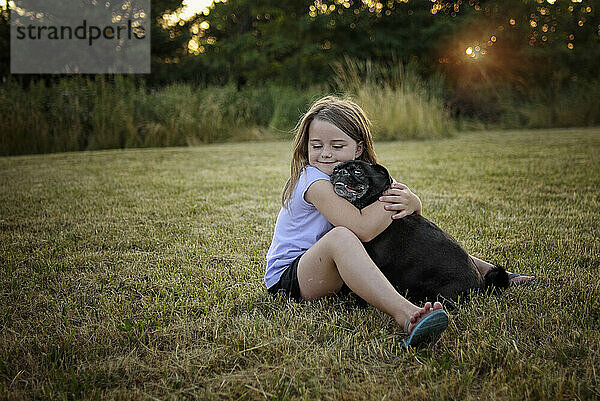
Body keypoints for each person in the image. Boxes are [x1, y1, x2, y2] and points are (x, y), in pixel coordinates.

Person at [264, 96, 532, 348]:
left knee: (402, 233)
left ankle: (490, 273)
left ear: (358, 149)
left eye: (337, 146)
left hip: (326, 270)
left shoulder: (350, 177)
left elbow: (400, 223)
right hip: (291, 279)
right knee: (342, 237)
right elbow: (364, 229)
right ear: (306, 145)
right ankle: (406, 314)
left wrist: (412, 202)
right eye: (316, 145)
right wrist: (394, 196)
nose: (325, 154)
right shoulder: (314, 182)